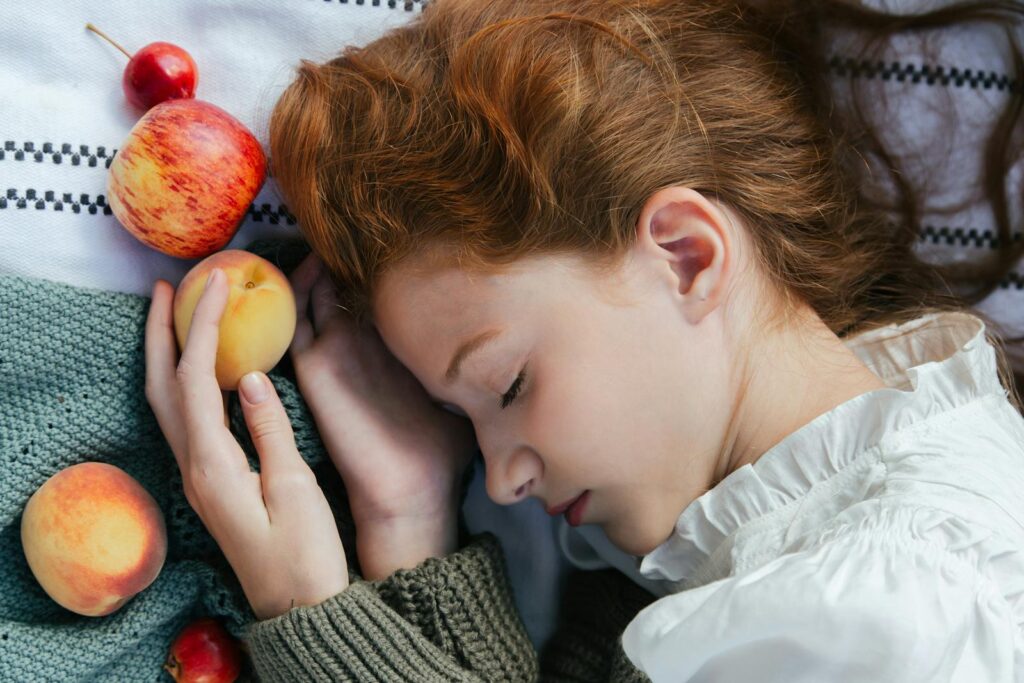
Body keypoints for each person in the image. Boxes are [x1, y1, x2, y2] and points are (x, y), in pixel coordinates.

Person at [143, 0, 1024, 680]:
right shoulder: (756, 561)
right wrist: (407, 520)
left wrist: (313, 614)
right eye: (463, 415)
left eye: (509, 384)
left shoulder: (893, 604)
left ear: (684, 256)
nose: (500, 477)